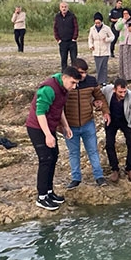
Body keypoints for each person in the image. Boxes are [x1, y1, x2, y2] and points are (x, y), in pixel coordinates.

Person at [25, 66, 81, 210]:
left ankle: (49, 192)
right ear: (65, 78)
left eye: (76, 84)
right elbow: (40, 113)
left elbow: (59, 108)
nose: (74, 87)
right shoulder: (48, 89)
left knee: (54, 156)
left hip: (49, 127)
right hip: (37, 127)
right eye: (73, 83)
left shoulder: (63, 89)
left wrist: (66, 126)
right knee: (45, 159)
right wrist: (48, 135)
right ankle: (41, 197)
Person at [64, 58, 111, 190]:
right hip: (70, 125)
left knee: (93, 150)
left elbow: (99, 96)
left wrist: (105, 111)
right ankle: (76, 178)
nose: (83, 75)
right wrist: (59, 125)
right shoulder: (66, 82)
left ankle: (99, 176)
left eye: (85, 72)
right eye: (80, 72)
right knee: (74, 152)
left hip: (87, 122)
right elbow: (57, 103)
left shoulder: (91, 81)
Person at [101, 78, 131, 183]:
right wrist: (98, 106)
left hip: (126, 120)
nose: (123, 94)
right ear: (114, 90)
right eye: (120, 92)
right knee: (109, 144)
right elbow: (97, 94)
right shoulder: (107, 90)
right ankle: (114, 169)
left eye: (125, 91)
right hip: (112, 120)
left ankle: (129, 168)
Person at [88, 12, 115, 85]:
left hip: (105, 50)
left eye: (99, 23)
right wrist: (91, 45)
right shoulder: (92, 29)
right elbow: (90, 38)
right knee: (98, 67)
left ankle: (104, 81)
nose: (97, 24)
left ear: (101, 21)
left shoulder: (107, 28)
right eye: (96, 23)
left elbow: (112, 37)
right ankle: (99, 80)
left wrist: (107, 40)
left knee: (103, 66)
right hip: (96, 50)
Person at [53, 2, 79, 71]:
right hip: (62, 42)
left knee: (74, 59)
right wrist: (58, 39)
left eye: (65, 7)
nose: (64, 8)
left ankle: (74, 74)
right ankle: (64, 75)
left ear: (67, 8)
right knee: (63, 59)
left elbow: (76, 27)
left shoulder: (72, 16)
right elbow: (55, 28)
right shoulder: (57, 17)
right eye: (62, 7)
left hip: (71, 41)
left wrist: (74, 38)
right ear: (60, 8)